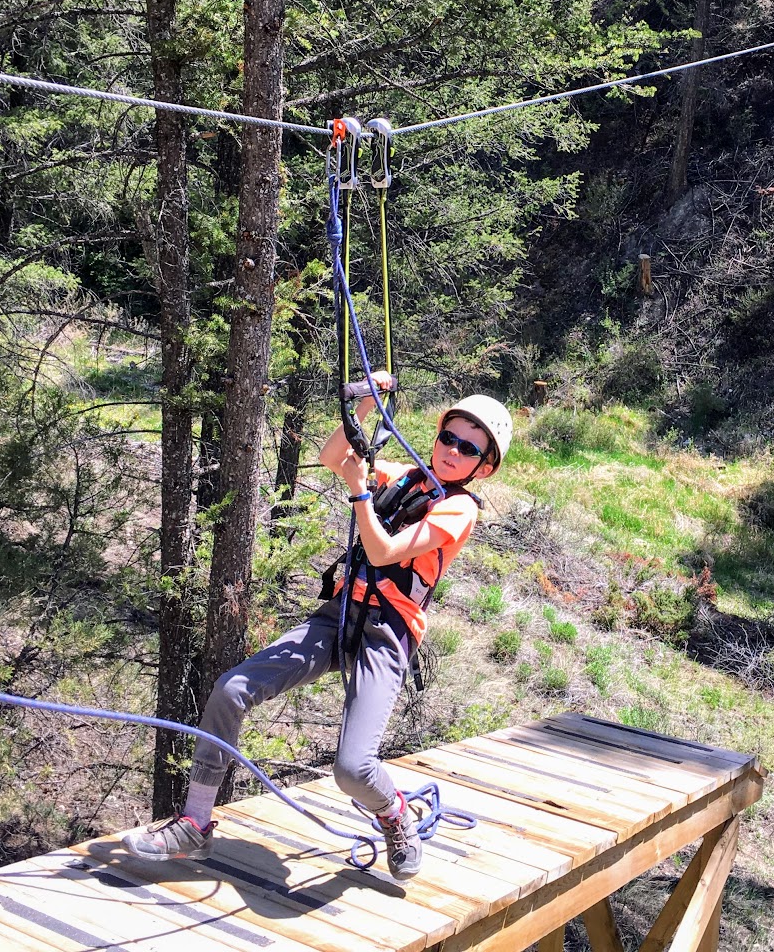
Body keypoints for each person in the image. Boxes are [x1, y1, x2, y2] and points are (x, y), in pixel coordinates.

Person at [122, 375, 512, 879]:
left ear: (483, 466)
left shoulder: (459, 509)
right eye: (447, 438)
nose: (451, 452)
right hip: (340, 615)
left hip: (386, 634)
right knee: (230, 690)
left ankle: (394, 812)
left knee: (353, 769)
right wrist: (367, 405)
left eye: (467, 448)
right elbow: (334, 455)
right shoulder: (401, 477)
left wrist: (358, 494)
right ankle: (195, 823)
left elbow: (383, 551)